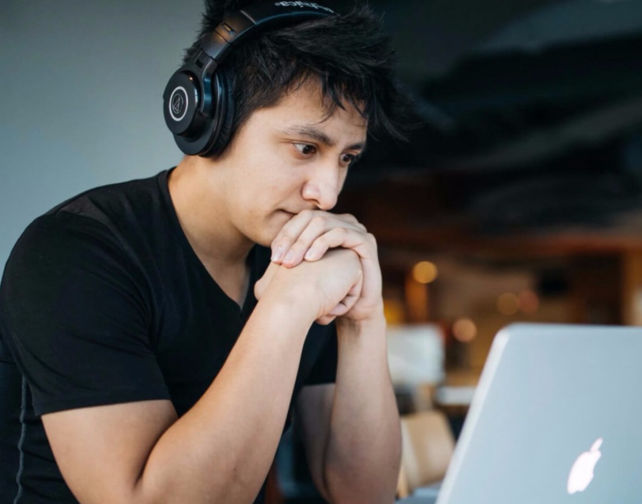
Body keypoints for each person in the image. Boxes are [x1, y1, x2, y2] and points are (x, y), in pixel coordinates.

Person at [0, 1, 409, 503]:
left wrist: (363, 320)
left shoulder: (303, 259)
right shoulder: (75, 254)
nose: (327, 194)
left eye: (346, 158)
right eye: (305, 148)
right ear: (210, 117)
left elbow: (364, 495)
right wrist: (285, 307)